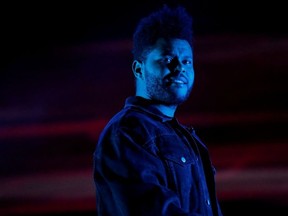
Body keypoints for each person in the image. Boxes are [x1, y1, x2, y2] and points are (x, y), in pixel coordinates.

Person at [93, 4, 223, 216]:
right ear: (138, 68)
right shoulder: (127, 132)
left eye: (186, 61)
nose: (180, 67)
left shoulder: (186, 138)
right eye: (167, 59)